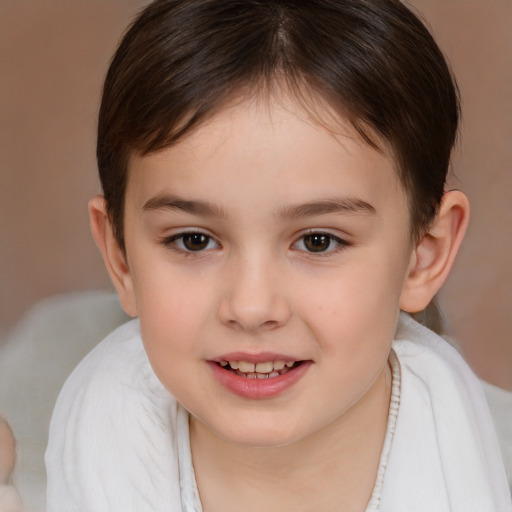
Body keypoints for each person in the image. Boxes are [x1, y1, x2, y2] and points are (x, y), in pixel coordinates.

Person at [45, 0, 511, 510]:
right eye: (193, 240)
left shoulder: (488, 472)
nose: (251, 307)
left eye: (318, 241)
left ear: (424, 254)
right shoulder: (75, 461)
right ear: (120, 256)